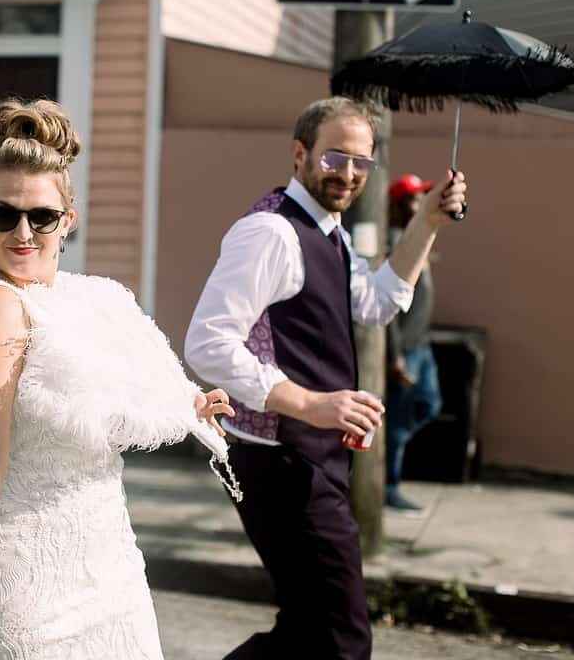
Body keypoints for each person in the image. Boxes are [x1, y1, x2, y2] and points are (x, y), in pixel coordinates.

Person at [0, 98, 236, 660]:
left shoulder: (87, 297)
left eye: (41, 216)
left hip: (110, 562)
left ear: (68, 221)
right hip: (27, 579)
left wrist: (191, 403)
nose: (23, 232)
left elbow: (125, 384)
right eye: (5, 215)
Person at [184, 96, 467, 660]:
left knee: (309, 631)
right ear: (300, 154)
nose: (349, 173)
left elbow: (378, 303)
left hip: (311, 459)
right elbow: (207, 342)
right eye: (336, 157)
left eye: (362, 162)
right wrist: (311, 404)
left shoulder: (332, 232)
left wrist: (427, 222)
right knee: (342, 639)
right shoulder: (271, 232)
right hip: (278, 460)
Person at [384, 173, 443, 513]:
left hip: (421, 343)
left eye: (421, 197)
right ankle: (387, 489)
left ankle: (391, 460)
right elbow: (388, 307)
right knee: (396, 420)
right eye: (412, 198)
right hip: (405, 349)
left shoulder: (416, 237)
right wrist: (394, 356)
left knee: (428, 405)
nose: (419, 203)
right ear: (397, 204)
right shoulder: (395, 242)